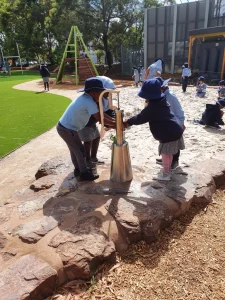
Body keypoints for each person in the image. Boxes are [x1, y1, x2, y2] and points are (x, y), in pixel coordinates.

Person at [123, 78, 184, 181]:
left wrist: (128, 122)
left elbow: (140, 118)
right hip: (175, 130)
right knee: (169, 153)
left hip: (168, 134)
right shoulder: (162, 101)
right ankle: (169, 168)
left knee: (165, 154)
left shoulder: (152, 108)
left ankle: (166, 174)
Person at [56, 77, 116, 181]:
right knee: (80, 151)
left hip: (66, 127)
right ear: (94, 92)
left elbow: (102, 115)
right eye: (100, 92)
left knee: (75, 150)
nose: (102, 94)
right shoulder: (89, 102)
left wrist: (115, 121)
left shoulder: (86, 98)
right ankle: (84, 173)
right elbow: (100, 118)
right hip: (67, 129)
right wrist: (117, 123)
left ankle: (78, 170)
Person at [78, 76, 116, 167]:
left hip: (92, 123)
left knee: (96, 138)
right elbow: (100, 116)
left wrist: (114, 119)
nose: (109, 94)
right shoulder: (93, 100)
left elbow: (106, 112)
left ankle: (93, 158)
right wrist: (115, 123)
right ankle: (87, 161)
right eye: (107, 92)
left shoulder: (102, 98)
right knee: (88, 141)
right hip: (84, 123)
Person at [155, 77, 185, 170]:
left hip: (175, 124)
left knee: (175, 144)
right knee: (166, 143)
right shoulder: (162, 96)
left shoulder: (171, 97)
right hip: (167, 123)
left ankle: (175, 161)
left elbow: (179, 111)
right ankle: (166, 159)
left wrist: (181, 123)